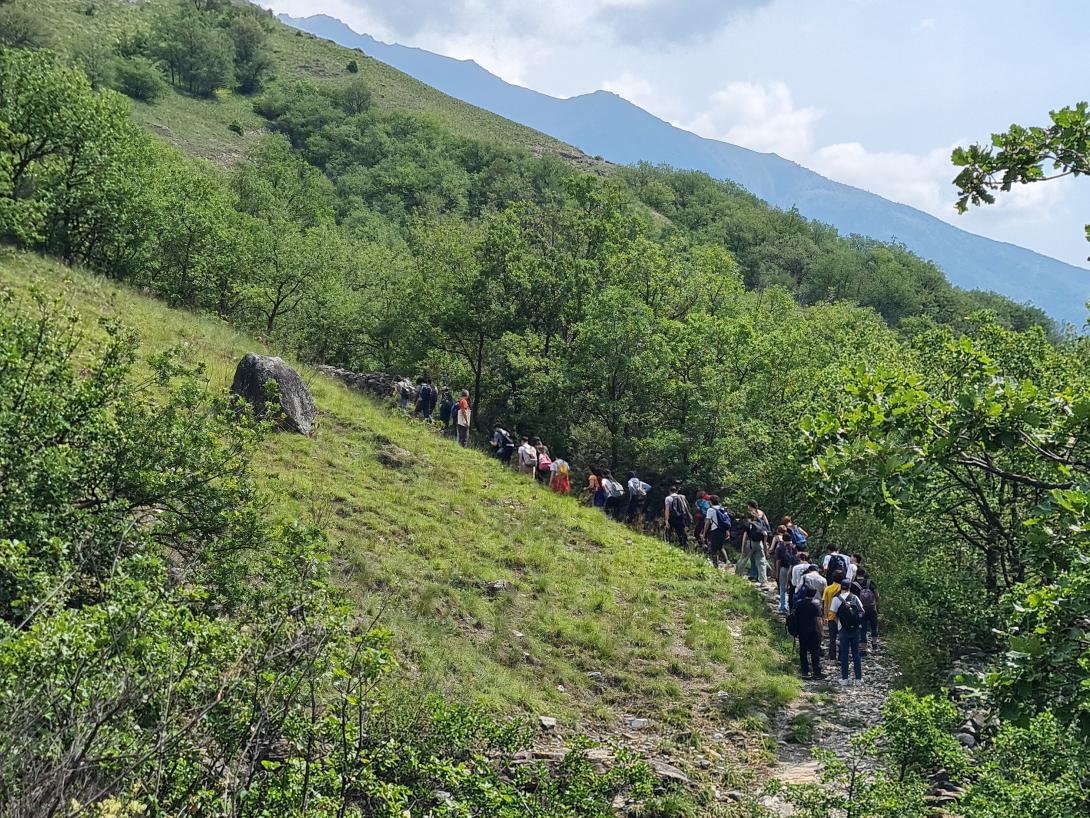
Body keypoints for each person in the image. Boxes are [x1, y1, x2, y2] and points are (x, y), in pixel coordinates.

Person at [830, 581, 866, 685]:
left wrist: (840, 623)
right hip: (855, 629)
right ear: (850, 587)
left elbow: (833, 614)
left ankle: (845, 679)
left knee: (844, 654)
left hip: (843, 630)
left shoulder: (836, 599)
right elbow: (862, 611)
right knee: (856, 654)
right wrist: (856, 621)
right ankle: (858, 679)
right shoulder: (855, 597)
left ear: (841, 587)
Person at [793, 586, 825, 680]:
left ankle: (805, 671)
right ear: (814, 594)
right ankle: (816, 672)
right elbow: (818, 620)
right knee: (815, 652)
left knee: (803, 651)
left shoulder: (799, 604)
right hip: (813, 631)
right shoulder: (815, 605)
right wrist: (822, 632)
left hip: (801, 631)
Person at [772, 525, 798, 613]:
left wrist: (776, 571)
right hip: (793, 569)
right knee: (793, 588)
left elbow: (778, 560)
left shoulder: (780, 547)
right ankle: (792, 607)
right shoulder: (794, 547)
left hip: (784, 568)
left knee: (782, 588)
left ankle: (783, 606)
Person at [701, 495, 731, 569]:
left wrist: (704, 533)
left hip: (715, 530)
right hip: (723, 530)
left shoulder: (710, 510)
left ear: (710, 501)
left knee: (713, 549)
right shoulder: (722, 509)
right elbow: (725, 521)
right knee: (721, 547)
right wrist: (727, 531)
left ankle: (715, 566)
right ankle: (727, 562)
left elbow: (707, 522)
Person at [823, 571, 844, 661]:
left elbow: (825, 604)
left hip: (831, 616)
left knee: (832, 638)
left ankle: (832, 657)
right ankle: (841, 657)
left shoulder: (828, 589)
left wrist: (825, 616)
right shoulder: (843, 589)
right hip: (842, 617)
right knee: (842, 637)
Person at [858, 573, 880, 653]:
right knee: (874, 625)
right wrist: (877, 605)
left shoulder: (855, 583)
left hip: (861, 609)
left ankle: (864, 647)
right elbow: (877, 595)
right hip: (871, 608)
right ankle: (874, 644)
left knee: (862, 628)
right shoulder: (871, 583)